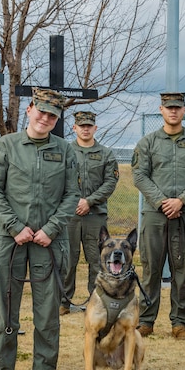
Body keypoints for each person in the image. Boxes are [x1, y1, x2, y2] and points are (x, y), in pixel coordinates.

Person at [0, 88, 79, 370]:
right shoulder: (6, 146)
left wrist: (51, 228)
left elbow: (71, 195)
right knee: (3, 306)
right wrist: (14, 226)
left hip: (48, 241)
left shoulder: (64, 150)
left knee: (48, 308)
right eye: (41, 112)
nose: (45, 118)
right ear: (29, 109)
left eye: (52, 115)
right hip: (9, 239)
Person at [132, 92, 185, 339]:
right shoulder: (148, 142)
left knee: (182, 270)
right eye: (169, 108)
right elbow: (139, 176)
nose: (173, 111)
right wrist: (161, 201)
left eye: (177, 107)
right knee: (151, 268)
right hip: (154, 214)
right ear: (161, 110)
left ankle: (179, 323)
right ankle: (146, 321)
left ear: (184, 110)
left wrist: (182, 201)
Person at [61, 110, 120, 315]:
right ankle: (63, 301)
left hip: (95, 215)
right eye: (81, 125)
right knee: (67, 259)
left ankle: (97, 300)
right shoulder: (65, 151)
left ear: (95, 128)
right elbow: (57, 179)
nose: (85, 129)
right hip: (69, 214)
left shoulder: (105, 154)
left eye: (89, 126)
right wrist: (74, 201)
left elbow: (110, 182)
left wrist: (89, 201)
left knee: (97, 259)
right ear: (74, 127)